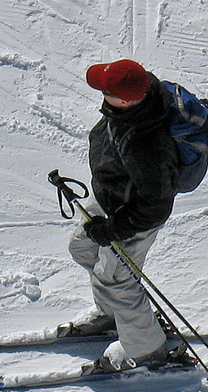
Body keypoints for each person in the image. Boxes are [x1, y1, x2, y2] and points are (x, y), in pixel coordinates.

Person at [63, 59, 189, 371]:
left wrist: (114, 229)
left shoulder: (147, 143)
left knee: (117, 279)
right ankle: (113, 313)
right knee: (83, 247)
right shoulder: (134, 101)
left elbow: (155, 206)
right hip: (112, 199)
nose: (100, 93)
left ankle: (148, 353)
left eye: (104, 89)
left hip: (133, 217)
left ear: (124, 99)